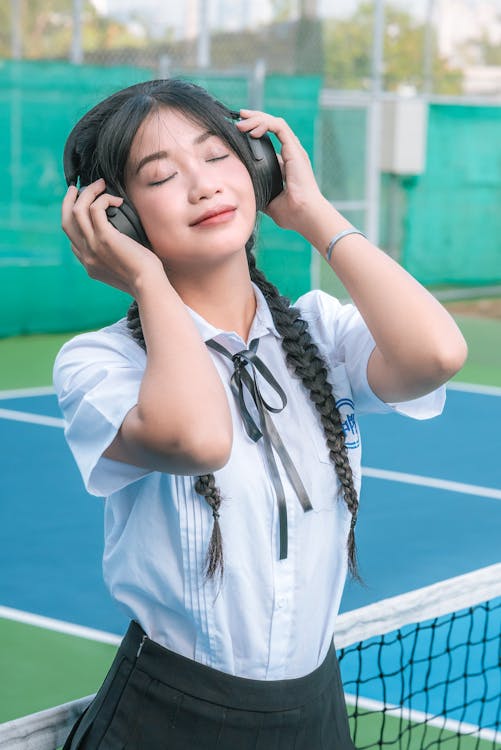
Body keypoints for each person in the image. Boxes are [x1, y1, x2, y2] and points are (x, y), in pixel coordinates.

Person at [54, 78, 467, 750]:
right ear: (117, 221)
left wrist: (311, 213)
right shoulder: (98, 364)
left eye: (218, 157)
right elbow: (196, 437)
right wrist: (148, 280)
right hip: (168, 721)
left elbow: (436, 353)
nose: (201, 185)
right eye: (160, 176)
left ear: (259, 169)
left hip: (314, 713)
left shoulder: (318, 331)